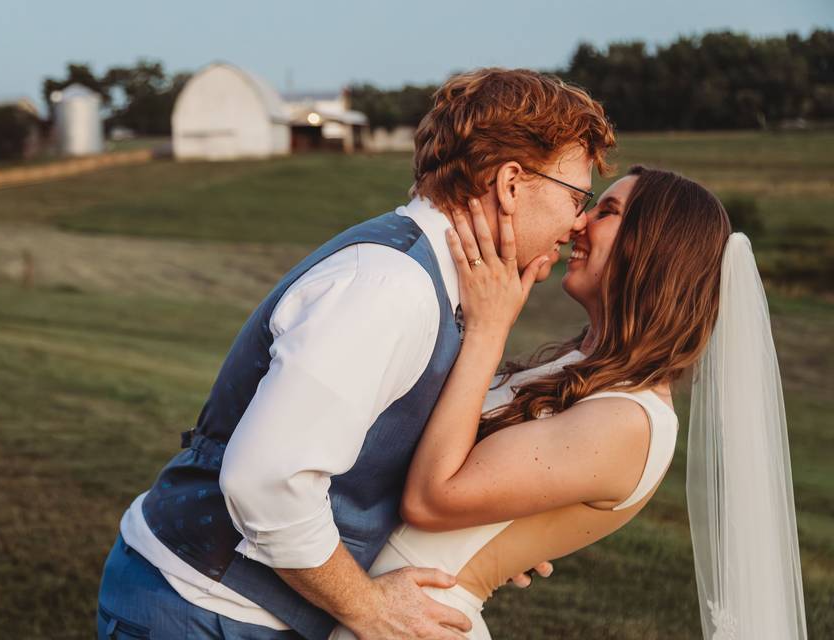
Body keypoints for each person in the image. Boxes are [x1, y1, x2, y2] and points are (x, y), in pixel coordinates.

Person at [96, 67, 616, 640]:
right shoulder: (389, 287)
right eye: (576, 195)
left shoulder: (445, 282)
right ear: (512, 183)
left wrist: (476, 540)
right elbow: (267, 481)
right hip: (199, 609)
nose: (578, 222)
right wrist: (368, 607)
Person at [330, 166, 807, 639]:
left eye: (609, 211)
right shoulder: (581, 369)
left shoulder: (630, 420)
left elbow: (431, 501)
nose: (580, 221)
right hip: (381, 604)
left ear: (656, 249)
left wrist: (489, 330)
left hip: (417, 622)